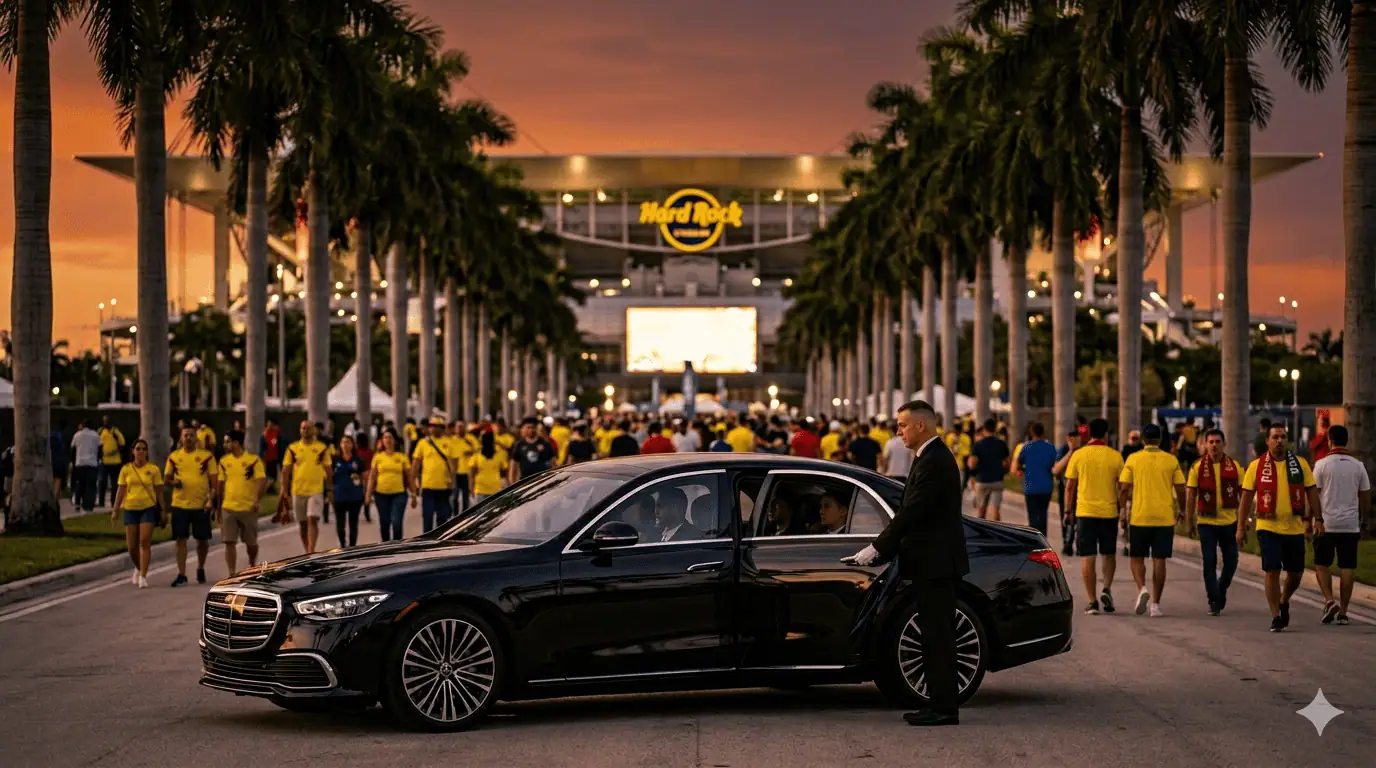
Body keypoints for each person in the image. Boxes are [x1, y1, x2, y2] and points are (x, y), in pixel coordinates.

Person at [847, 399, 967, 727]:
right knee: (933, 636)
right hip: (931, 562)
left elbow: (912, 512)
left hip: (937, 564)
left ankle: (944, 708)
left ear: (920, 426)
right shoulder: (928, 457)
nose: (897, 430)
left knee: (938, 637)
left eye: (902, 424)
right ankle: (939, 704)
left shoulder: (935, 460)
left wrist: (876, 548)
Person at [1238, 425, 1321, 632]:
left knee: (1296, 573)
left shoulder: (1300, 464)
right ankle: (1276, 614)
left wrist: (1317, 519)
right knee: (1272, 569)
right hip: (1268, 526)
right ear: (1267, 441)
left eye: (1283, 437)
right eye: (1275, 437)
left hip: (1294, 527)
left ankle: (1284, 600)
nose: (1280, 441)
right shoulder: (1256, 466)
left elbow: (1312, 493)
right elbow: (1246, 499)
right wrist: (1240, 527)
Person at [1118, 424, 1186, 617]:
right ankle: (1155, 604)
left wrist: (1123, 510)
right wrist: (1181, 509)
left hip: (1140, 517)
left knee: (1136, 558)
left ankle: (1142, 589)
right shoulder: (1171, 460)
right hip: (1164, 518)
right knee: (1160, 560)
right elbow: (1181, 488)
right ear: (1160, 438)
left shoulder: (1133, 459)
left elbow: (1123, 487)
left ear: (1143, 440)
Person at [1311, 425, 1370, 625]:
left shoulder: (1321, 465)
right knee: (1347, 567)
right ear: (1347, 440)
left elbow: (1313, 495)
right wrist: (1364, 520)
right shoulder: (1358, 465)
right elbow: (1365, 495)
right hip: (1350, 524)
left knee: (1321, 565)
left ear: (1329, 440)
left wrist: (1312, 519)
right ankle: (1343, 612)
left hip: (1326, 524)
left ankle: (1329, 600)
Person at [1065, 418, 1124, 615]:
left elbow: (1070, 486)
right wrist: (1122, 508)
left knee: (1087, 557)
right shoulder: (1115, 456)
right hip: (1109, 512)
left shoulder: (1079, 455)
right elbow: (1122, 486)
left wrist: (1067, 511)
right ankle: (1106, 588)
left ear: (1089, 434)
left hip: (1085, 513)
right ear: (1106, 434)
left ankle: (1092, 601)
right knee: (1108, 554)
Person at [1185, 428, 1243, 616]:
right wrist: (1189, 520)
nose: (1214, 445)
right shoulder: (1197, 466)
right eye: (1210, 442)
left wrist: (1244, 521)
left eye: (1218, 442)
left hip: (1229, 522)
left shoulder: (1234, 466)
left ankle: (1221, 587)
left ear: (1224, 444)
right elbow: (1191, 494)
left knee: (1231, 562)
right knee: (1209, 562)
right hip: (1206, 522)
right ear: (1205, 444)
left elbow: (1244, 494)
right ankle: (1214, 599)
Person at [165, 425, 217, 587]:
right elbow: (166, 478)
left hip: (200, 505)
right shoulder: (174, 457)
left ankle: (200, 567)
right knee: (181, 539)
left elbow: (214, 483)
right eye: (185, 435)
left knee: (202, 541)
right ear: (181, 438)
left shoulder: (206, 457)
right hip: (179, 504)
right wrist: (174, 482)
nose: (188, 438)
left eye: (191, 435)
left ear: (197, 438)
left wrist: (210, 500)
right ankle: (182, 574)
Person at [111, 439, 166, 589]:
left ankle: (143, 575)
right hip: (130, 509)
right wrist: (115, 509)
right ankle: (139, 567)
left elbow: (159, 492)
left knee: (144, 541)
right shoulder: (126, 469)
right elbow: (120, 490)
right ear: (133, 451)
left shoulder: (153, 470)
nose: (141, 452)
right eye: (138, 449)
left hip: (148, 508)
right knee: (132, 547)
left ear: (147, 452)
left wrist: (163, 510)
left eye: (143, 449)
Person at [217, 430, 265, 575]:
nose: (225, 445)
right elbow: (220, 484)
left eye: (227, 441)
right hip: (228, 507)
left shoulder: (253, 460)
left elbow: (261, 480)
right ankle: (231, 573)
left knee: (251, 543)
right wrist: (218, 507)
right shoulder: (224, 462)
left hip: (248, 507)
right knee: (229, 542)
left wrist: (256, 499)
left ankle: (252, 563)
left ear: (236, 443)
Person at [282, 419, 333, 554]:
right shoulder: (293, 448)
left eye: (307, 428)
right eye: (302, 428)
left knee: (312, 519)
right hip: (298, 490)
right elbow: (286, 470)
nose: (305, 430)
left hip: (315, 490)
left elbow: (328, 469)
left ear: (313, 430)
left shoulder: (321, 448)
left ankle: (311, 550)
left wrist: (329, 488)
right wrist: (283, 489)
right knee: (303, 524)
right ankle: (308, 552)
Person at [365, 429, 411, 542]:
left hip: (399, 494)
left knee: (396, 522)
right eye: (385, 438)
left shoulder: (402, 457)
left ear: (395, 441)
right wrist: (368, 494)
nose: (388, 440)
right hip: (381, 495)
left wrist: (414, 493)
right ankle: (385, 545)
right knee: (384, 522)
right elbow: (372, 477)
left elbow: (408, 476)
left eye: (390, 437)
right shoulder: (378, 457)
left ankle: (397, 545)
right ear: (382, 441)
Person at [412, 417, 456, 532]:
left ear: (442, 428)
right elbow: (416, 464)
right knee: (427, 519)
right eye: (431, 426)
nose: (433, 428)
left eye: (436, 426)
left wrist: (453, 482)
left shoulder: (449, 443)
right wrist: (413, 483)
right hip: (428, 487)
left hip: (443, 487)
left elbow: (453, 466)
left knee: (442, 520)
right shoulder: (423, 443)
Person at [1016, 422, 1057, 537]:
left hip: (1031, 487)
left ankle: (1035, 540)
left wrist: (1023, 469)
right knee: (1043, 514)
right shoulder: (1050, 447)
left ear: (1031, 433)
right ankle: (1043, 539)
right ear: (1043, 432)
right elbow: (1055, 464)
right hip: (1046, 486)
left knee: (1033, 515)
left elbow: (1019, 463)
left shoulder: (1026, 447)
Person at [969, 418, 1010, 521]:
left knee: (981, 511)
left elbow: (972, 463)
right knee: (995, 510)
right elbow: (1007, 463)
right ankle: (996, 532)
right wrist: (1003, 472)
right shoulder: (1001, 443)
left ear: (984, 429)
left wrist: (973, 472)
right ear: (995, 428)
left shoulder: (978, 445)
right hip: (997, 480)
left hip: (982, 480)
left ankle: (982, 533)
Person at [331, 435, 366, 548]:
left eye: (348, 442)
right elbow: (329, 477)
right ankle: (342, 544)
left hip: (354, 496)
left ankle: (352, 547)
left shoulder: (358, 461)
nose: (345, 445)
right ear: (340, 445)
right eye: (343, 442)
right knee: (340, 526)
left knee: (353, 523)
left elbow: (364, 476)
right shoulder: (335, 460)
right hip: (339, 496)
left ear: (352, 445)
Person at [509, 417, 558, 481]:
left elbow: (553, 463)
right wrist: (512, 482)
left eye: (533, 427)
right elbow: (513, 465)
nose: (531, 430)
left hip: (542, 481)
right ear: (524, 429)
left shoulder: (545, 443)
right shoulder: (519, 445)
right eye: (528, 427)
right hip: (525, 482)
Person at [70, 421, 101, 513]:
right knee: (90, 485)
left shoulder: (77, 435)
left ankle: (77, 503)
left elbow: (73, 449)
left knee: (80, 484)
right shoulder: (95, 435)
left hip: (79, 463)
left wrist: (72, 462)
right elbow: (100, 448)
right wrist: (99, 459)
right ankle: (88, 505)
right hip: (92, 463)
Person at [469, 432, 508, 504]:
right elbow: (504, 473)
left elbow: (472, 475)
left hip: (483, 490)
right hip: (492, 489)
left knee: (482, 514)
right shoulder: (500, 454)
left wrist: (471, 489)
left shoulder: (476, 455)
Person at [97, 416, 126, 508]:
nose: (106, 423)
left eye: (107, 421)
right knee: (102, 482)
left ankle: (114, 502)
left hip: (115, 461)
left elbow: (122, 443)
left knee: (114, 484)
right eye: (105, 421)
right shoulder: (100, 431)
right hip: (104, 461)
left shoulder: (115, 431)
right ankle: (101, 503)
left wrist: (116, 450)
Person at [260, 419, 281, 492]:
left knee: (274, 475)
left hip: (274, 457)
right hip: (267, 458)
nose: (270, 426)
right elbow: (262, 447)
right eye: (269, 425)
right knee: (269, 475)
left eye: (271, 425)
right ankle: (265, 489)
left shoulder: (275, 433)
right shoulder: (264, 435)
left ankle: (270, 488)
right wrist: (262, 457)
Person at [50, 421, 68, 502]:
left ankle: (54, 494)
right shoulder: (63, 440)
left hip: (51, 461)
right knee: (58, 479)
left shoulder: (52, 436)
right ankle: (56, 495)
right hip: (60, 462)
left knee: (53, 479)